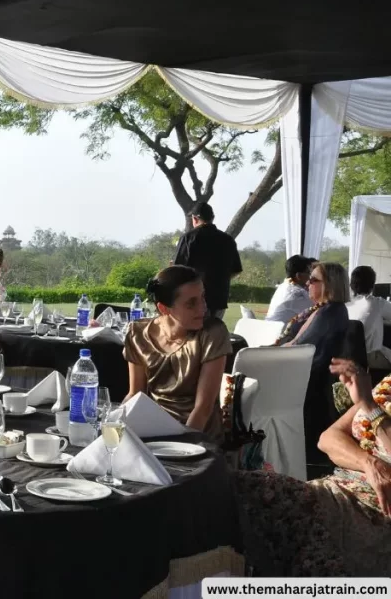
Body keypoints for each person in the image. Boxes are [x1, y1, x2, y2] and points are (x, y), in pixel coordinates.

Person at [230, 358, 391, 576]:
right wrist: (367, 462)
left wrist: (370, 407)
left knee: (258, 494)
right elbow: (328, 438)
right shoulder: (388, 386)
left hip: (373, 510)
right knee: (240, 488)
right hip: (338, 489)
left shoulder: (373, 403)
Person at [123, 265, 231, 442]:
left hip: (197, 435)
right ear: (164, 308)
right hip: (153, 430)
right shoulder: (138, 333)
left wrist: (181, 448)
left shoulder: (213, 333)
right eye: (191, 303)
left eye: (203, 297)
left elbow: (203, 409)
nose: (203, 308)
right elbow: (135, 395)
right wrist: (115, 426)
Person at [276, 261, 350, 464]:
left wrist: (272, 352)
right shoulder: (320, 309)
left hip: (307, 382)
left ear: (331, 284)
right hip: (299, 372)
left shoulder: (331, 312)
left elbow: (300, 348)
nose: (307, 283)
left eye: (314, 280)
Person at [172, 201, 242, 320]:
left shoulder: (188, 238)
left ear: (194, 218)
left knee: (195, 337)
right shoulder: (227, 240)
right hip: (219, 300)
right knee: (213, 335)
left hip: (195, 299)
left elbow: (178, 270)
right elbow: (236, 270)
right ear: (212, 218)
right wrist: (218, 279)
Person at [346, 265, 391, 370]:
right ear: (372, 285)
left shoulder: (346, 304)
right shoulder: (378, 303)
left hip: (347, 356)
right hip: (370, 358)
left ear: (351, 284)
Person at [264, 254, 315, 323]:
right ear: (299, 276)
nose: (311, 277)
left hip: (271, 329)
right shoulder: (298, 294)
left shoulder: (283, 287)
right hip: (280, 332)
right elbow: (319, 309)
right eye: (309, 273)